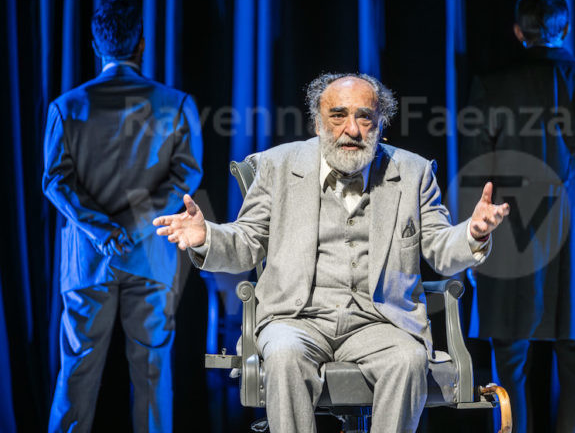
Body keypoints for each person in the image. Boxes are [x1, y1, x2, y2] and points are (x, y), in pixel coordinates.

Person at [154, 72, 510, 432]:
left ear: (381, 123)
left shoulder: (413, 172)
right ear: (317, 122)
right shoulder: (278, 166)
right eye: (338, 115)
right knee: (284, 354)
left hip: (380, 321)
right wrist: (207, 237)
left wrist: (472, 233)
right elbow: (246, 241)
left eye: (364, 117)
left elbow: (439, 247)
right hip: (296, 319)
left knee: (408, 358)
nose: (351, 129)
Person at [465, 0, 575, 433]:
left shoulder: (491, 86)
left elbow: (476, 173)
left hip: (508, 227)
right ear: (566, 29)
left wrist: (472, 243)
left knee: (509, 356)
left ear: (519, 32)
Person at [43, 0, 203, 432]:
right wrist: (133, 226)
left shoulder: (65, 107)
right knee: (152, 375)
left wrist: (103, 231)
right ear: (142, 45)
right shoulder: (177, 104)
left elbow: (55, 181)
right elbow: (186, 176)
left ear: (96, 45)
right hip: (150, 255)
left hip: (87, 261)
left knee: (75, 373)